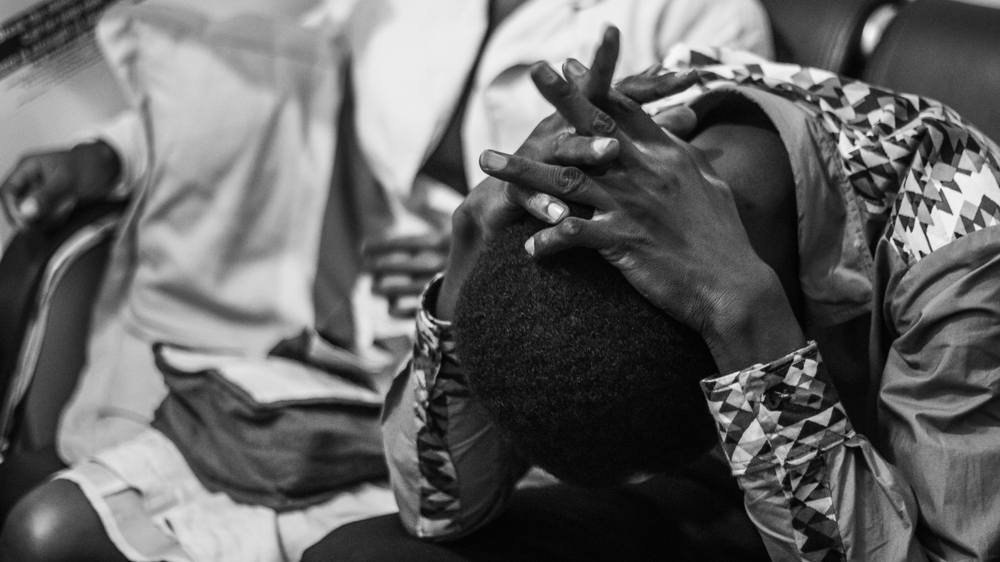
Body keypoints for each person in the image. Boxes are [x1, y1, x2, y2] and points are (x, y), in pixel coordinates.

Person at [0, 2, 774, 562]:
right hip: (344, 349)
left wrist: (468, 260)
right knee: (48, 531)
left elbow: (677, 232)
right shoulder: (398, 12)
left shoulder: (697, 17)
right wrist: (105, 155)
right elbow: (263, 84)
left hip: (520, 381)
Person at [309, 26, 1000, 561]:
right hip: (716, 493)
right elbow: (438, 508)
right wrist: (472, 236)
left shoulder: (963, 228)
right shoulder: (630, 123)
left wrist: (744, 310)